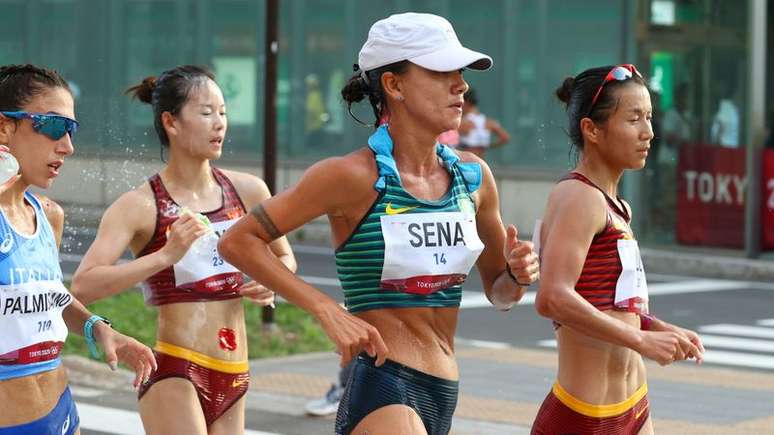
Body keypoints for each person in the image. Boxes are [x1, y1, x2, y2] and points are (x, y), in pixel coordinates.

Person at [219, 12, 539, 435]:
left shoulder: (473, 176)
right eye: (442, 71)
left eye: (459, 72)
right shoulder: (350, 176)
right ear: (394, 84)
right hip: (384, 383)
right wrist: (326, 309)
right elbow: (239, 242)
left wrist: (517, 275)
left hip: (444, 389)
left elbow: (501, 294)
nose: (460, 84)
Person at [70, 65, 296, 435]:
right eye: (206, 113)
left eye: (223, 112)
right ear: (171, 123)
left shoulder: (249, 191)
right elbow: (83, 285)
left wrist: (272, 280)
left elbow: (285, 258)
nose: (219, 123)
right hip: (176, 370)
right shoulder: (140, 205)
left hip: (235, 371)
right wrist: (163, 255)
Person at [532, 64, 705, 434]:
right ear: (591, 130)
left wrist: (657, 327)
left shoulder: (617, 206)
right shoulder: (578, 196)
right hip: (582, 419)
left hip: (634, 407)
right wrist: (642, 340)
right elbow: (552, 298)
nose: (649, 132)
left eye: (649, 117)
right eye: (634, 119)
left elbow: (611, 304)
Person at [0, 64, 156, 435]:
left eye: (71, 130)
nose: (67, 146)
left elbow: (49, 295)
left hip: (61, 415)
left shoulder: (49, 216)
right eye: (55, 126)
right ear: (5, 127)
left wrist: (95, 326)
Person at [456, 88, 510, 158]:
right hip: (481, 162)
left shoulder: (462, 123)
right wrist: (487, 146)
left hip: (465, 162)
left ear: (466, 102)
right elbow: (505, 137)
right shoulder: (489, 122)